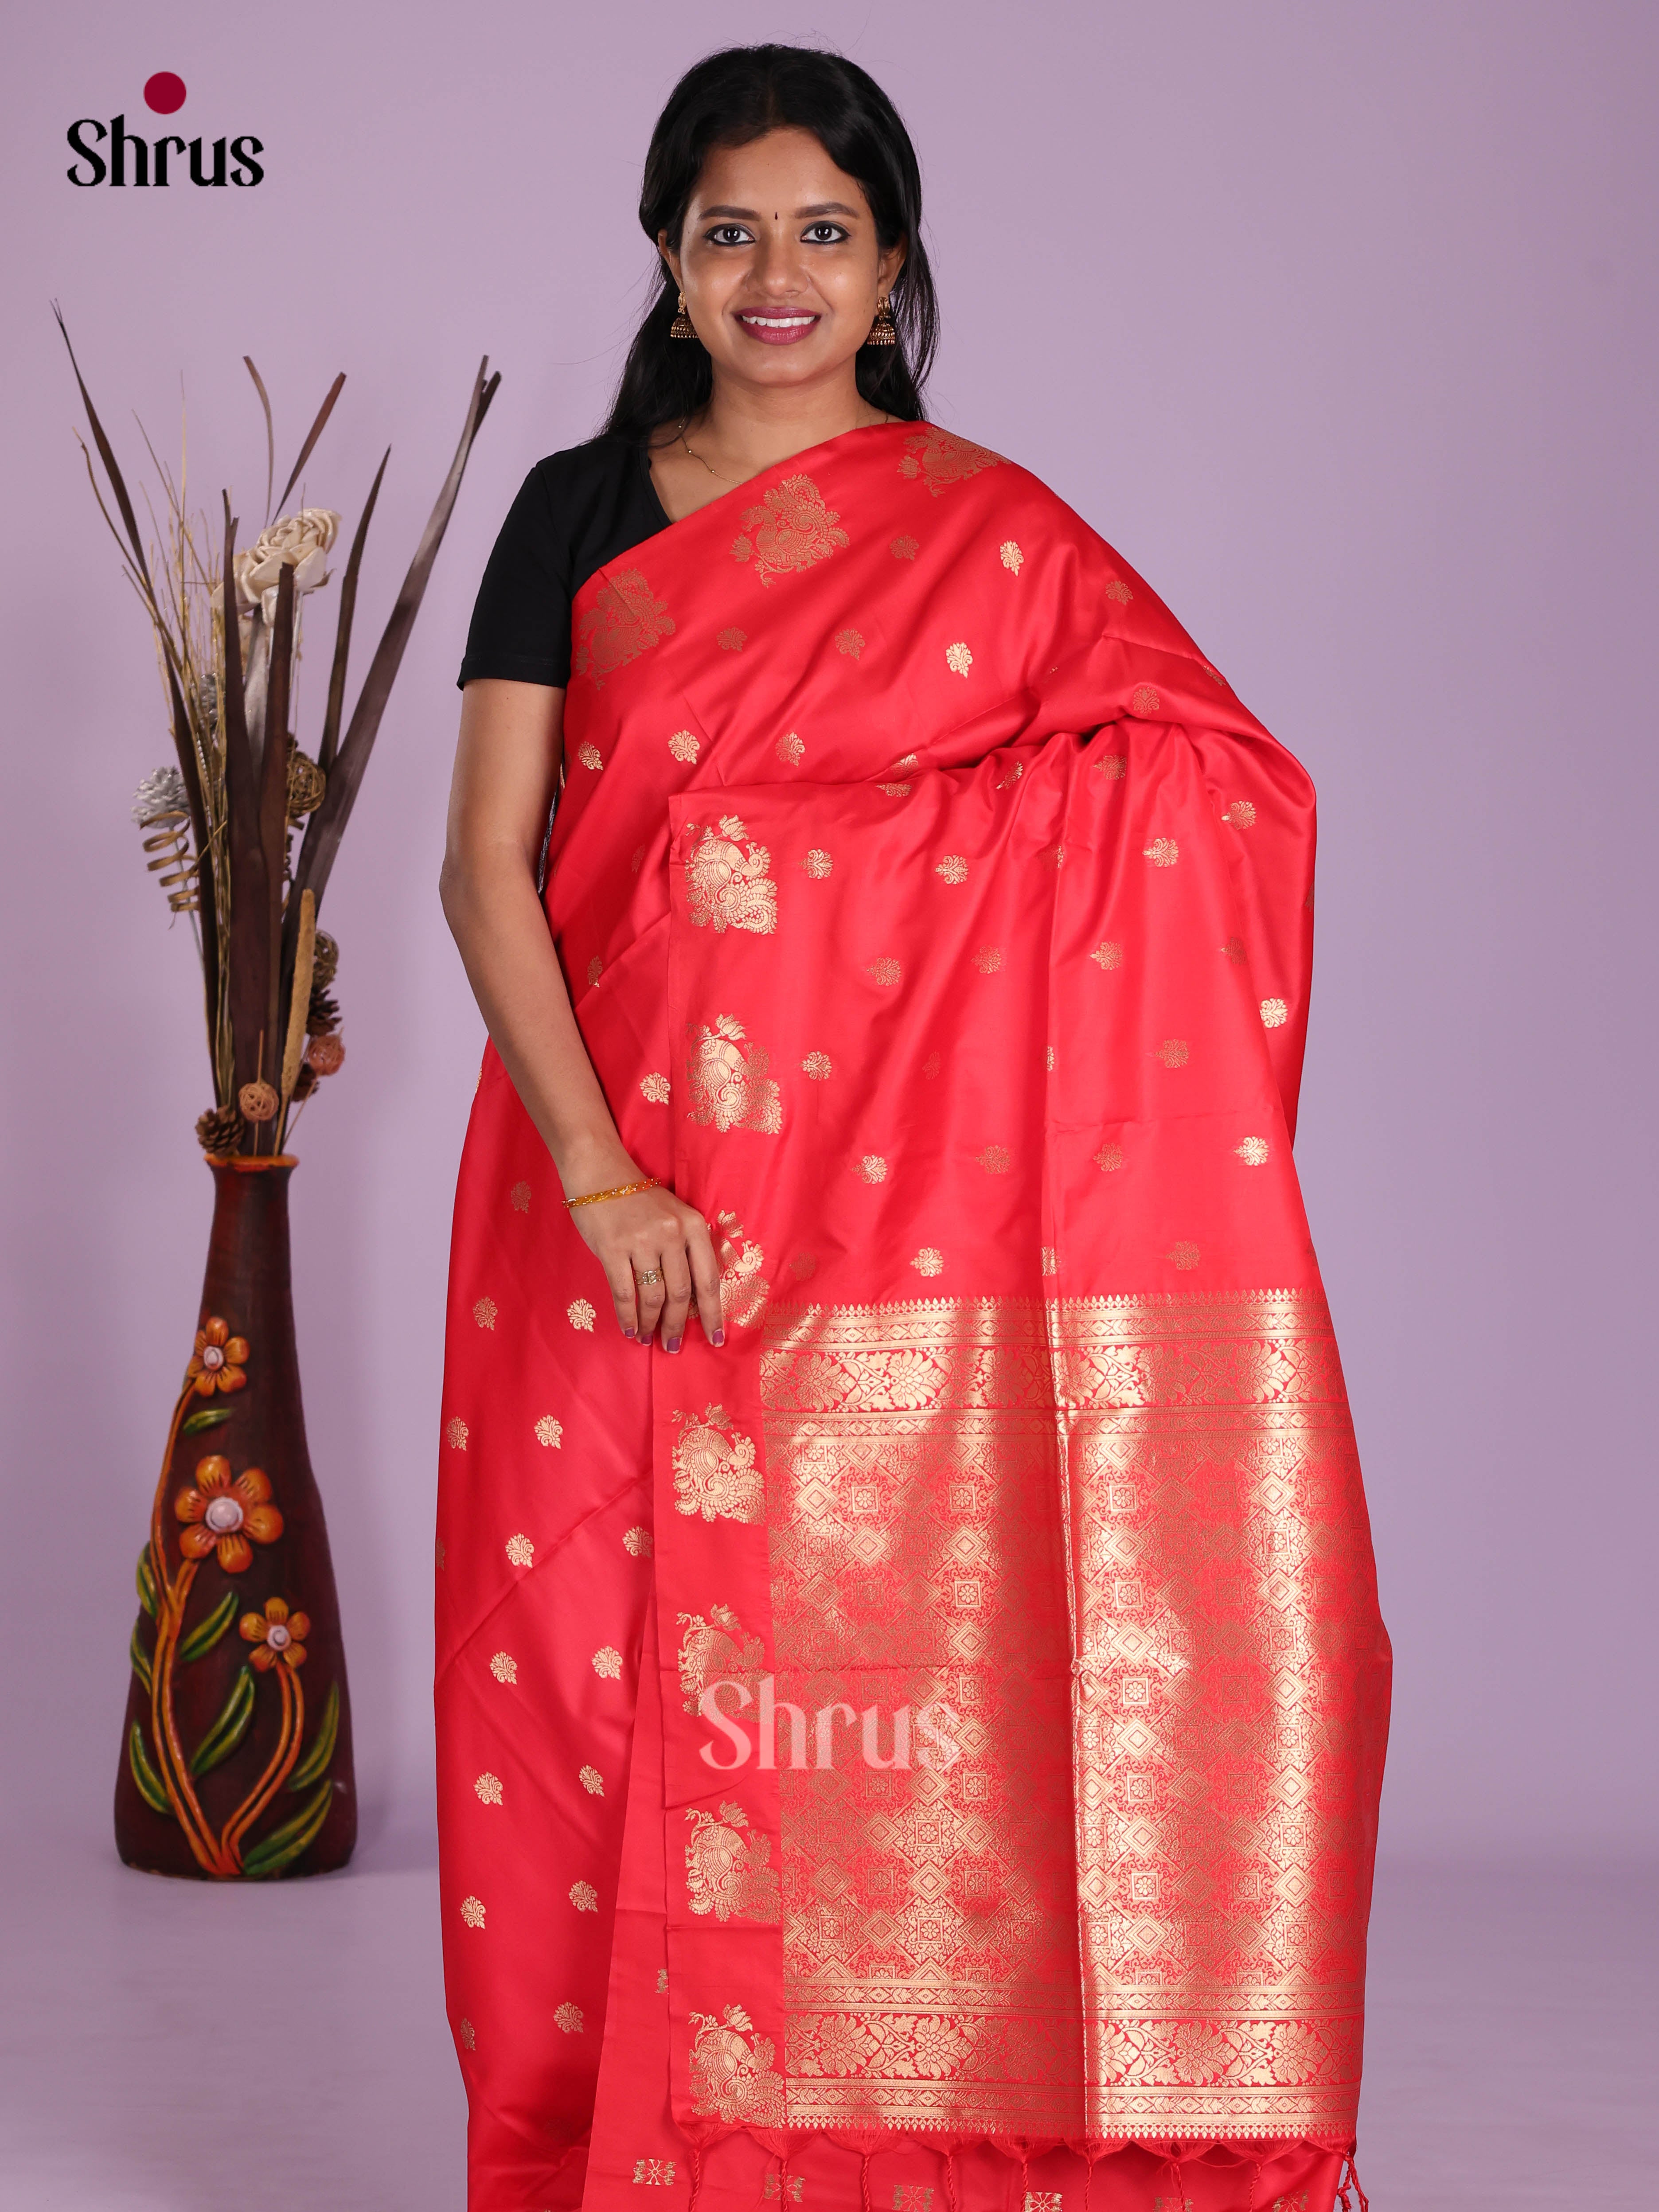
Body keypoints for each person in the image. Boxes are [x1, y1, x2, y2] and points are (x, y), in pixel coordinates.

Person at [437, 43, 1389, 2212]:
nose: (780, 275)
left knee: (905, 1665)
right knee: (583, 1694)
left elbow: (1216, 795)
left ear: (893, 262)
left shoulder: (997, 535)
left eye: (825, 232)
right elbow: (488, 866)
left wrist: (853, 854)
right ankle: (622, 2156)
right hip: (606, 1196)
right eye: (732, 232)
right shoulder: (576, 512)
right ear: (669, 261)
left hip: (892, 1234)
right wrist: (599, 1173)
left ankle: (886, 2147)